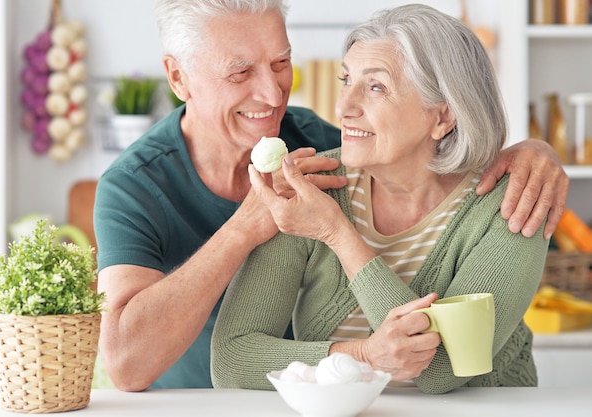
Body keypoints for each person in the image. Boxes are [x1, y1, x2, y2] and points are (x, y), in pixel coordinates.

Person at [95, 0, 567, 392]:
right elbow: (175, 362)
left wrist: (535, 149)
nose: (271, 93)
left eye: (281, 63)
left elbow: (441, 368)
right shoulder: (135, 186)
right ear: (178, 79)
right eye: (239, 73)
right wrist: (249, 226)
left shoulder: (316, 159)